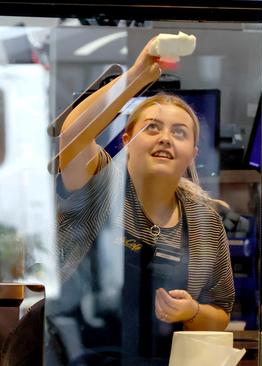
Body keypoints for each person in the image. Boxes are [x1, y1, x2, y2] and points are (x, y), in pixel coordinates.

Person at [53, 35, 235, 362]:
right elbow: (72, 138)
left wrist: (192, 311)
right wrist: (136, 77)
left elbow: (220, 312)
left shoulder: (206, 223)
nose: (165, 138)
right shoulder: (98, 184)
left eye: (179, 132)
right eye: (152, 127)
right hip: (73, 356)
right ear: (126, 139)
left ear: (192, 153)